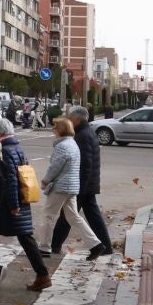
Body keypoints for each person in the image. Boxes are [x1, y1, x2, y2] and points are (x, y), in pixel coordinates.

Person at [0, 118, 53, 291]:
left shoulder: (5, 150)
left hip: (9, 203)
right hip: (19, 200)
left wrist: (13, 204)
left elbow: (10, 180)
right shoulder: (17, 147)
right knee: (18, 237)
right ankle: (42, 274)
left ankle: (42, 274)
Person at [52, 105, 113, 259]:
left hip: (82, 184)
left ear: (77, 119)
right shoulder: (86, 132)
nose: (68, 120)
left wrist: (80, 187)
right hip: (86, 184)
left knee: (68, 215)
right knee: (88, 215)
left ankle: (54, 246)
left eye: (70, 117)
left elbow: (85, 164)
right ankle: (104, 246)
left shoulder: (82, 136)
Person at [40, 115, 100, 261]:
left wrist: (46, 180)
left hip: (60, 187)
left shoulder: (62, 146)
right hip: (72, 186)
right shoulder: (72, 143)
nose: (53, 130)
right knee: (74, 217)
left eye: (55, 127)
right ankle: (95, 244)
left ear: (61, 130)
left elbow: (55, 166)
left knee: (48, 215)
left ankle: (44, 247)